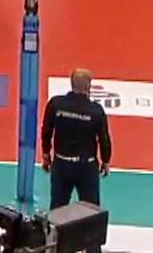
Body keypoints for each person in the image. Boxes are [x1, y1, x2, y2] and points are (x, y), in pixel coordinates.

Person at [41, 68, 112, 236]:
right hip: (86, 168)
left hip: (61, 165)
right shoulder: (95, 110)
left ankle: (53, 245)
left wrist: (46, 154)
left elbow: (46, 131)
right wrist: (106, 161)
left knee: (57, 211)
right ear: (88, 86)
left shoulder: (56, 104)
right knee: (91, 212)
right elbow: (104, 139)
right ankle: (92, 247)